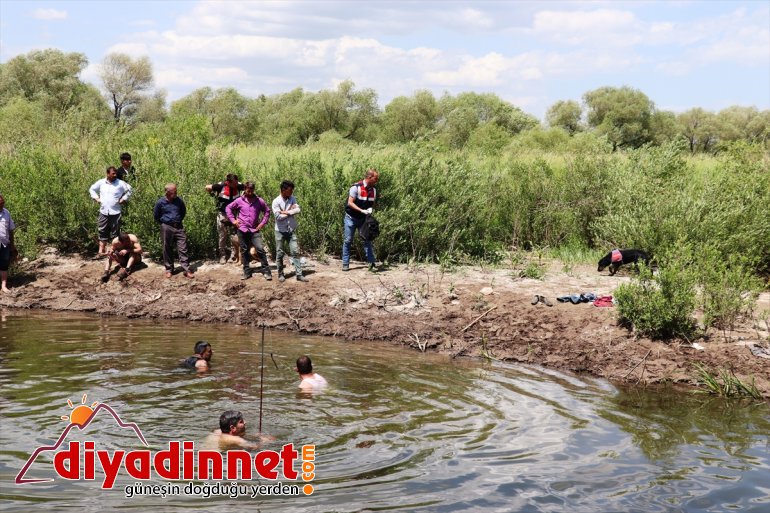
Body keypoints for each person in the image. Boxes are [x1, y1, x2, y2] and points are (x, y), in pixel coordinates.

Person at [226, 182, 272, 281]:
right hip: (242, 229)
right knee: (244, 250)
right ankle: (247, 272)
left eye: (252, 190)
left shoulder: (259, 201)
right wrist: (233, 220)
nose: (250, 192)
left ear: (254, 190)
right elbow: (228, 208)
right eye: (248, 190)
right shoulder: (239, 200)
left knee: (260, 249)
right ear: (245, 189)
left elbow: (267, 211)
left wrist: (262, 223)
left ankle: (266, 271)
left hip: (254, 229)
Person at [89, 166, 133, 256]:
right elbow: (92, 189)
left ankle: (113, 252)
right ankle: (101, 251)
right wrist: (96, 198)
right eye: (113, 173)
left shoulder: (120, 183)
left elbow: (130, 190)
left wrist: (124, 199)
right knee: (102, 230)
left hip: (116, 212)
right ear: (108, 173)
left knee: (115, 232)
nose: (115, 175)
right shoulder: (101, 182)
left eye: (115, 173)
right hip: (103, 211)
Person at [153, 183, 194, 279]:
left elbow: (183, 212)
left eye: (176, 191)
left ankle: (186, 269)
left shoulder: (179, 201)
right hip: (166, 227)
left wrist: (177, 221)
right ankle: (169, 269)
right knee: (166, 248)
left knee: (183, 247)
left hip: (179, 227)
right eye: (174, 191)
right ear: (167, 192)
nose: (176, 193)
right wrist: (165, 223)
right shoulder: (160, 202)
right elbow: (156, 215)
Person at [342, 168, 378, 272]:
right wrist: (361, 210)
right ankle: (345, 264)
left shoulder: (374, 190)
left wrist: (370, 209)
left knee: (367, 240)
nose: (376, 181)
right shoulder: (356, 187)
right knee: (348, 240)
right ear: (369, 177)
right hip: (351, 218)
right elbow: (350, 203)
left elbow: (372, 204)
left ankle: (371, 264)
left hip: (363, 220)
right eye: (375, 179)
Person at [272, 180, 308, 283]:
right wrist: (291, 211)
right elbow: (278, 217)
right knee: (279, 253)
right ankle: (280, 274)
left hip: (291, 229)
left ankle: (299, 274)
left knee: (295, 252)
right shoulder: (276, 201)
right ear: (283, 190)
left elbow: (298, 210)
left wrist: (286, 212)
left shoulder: (292, 198)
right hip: (280, 230)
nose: (292, 192)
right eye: (290, 190)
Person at [205, 174, 244, 264]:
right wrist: (212, 195)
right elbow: (207, 187)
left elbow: (247, 188)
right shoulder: (220, 186)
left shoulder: (239, 185)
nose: (236, 184)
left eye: (236, 182)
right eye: (234, 183)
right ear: (228, 182)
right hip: (222, 213)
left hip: (235, 214)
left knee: (235, 234)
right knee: (222, 234)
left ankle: (234, 255)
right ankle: (222, 255)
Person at [0, 194, 17, 294]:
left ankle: (3, 286)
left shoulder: (6, 213)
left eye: (2, 202)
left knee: (4, 265)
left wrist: (12, 245)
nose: (1, 204)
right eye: (0, 203)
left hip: (5, 243)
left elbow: (11, 230)